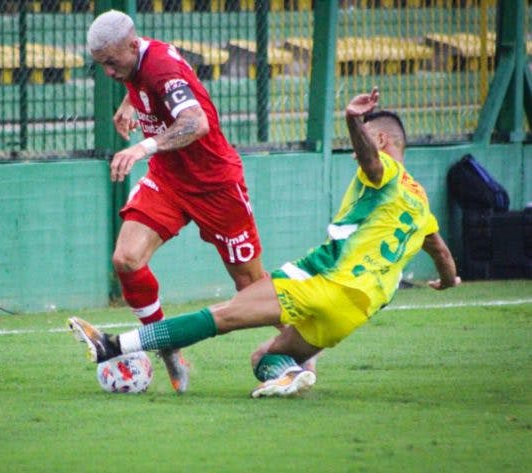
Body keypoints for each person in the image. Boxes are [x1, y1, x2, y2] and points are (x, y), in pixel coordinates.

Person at [68, 87, 461, 397]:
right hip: (355, 313)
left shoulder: (385, 169)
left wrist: (352, 121)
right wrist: (447, 281)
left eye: (367, 139)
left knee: (222, 316)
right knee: (264, 358)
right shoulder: (421, 204)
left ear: (381, 137)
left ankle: (112, 346)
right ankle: (290, 374)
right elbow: (442, 254)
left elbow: (371, 162)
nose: (360, 155)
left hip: (324, 279)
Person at [86, 10, 269, 392]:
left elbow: (195, 122)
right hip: (169, 181)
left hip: (215, 185)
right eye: (100, 64)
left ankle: (303, 348)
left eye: (111, 62)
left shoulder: (161, 69)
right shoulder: (139, 60)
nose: (107, 71)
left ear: (132, 46)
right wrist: (130, 102)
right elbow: (142, 80)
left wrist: (143, 147)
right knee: (126, 259)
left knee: (252, 289)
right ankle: (167, 349)